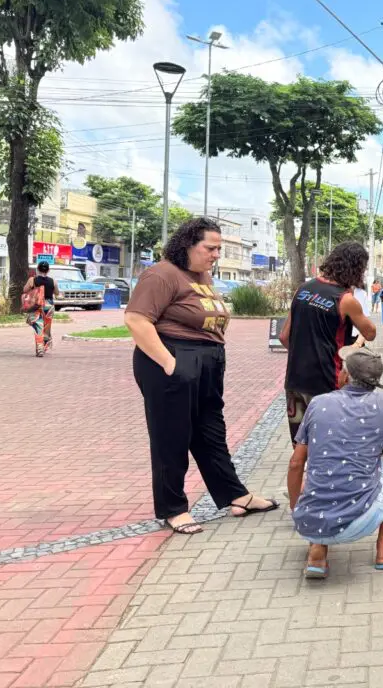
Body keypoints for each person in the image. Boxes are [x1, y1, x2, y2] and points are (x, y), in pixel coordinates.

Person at [125, 217, 278, 535]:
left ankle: (236, 495)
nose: (216, 254)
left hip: (207, 363)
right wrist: (170, 363)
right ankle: (173, 508)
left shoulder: (202, 276)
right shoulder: (161, 274)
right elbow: (137, 320)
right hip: (172, 360)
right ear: (187, 245)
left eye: (219, 248)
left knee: (210, 433)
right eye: (210, 248)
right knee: (172, 436)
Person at [287, 346, 383, 579]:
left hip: (310, 522)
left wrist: (297, 510)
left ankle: (317, 551)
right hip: (363, 519)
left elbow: (295, 463)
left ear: (346, 376)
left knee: (311, 474)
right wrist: (379, 446)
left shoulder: (318, 403)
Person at [280, 242, 377, 445]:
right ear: (355, 268)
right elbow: (370, 333)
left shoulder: (302, 289)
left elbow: (284, 337)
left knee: (300, 447)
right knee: (328, 444)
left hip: (295, 380)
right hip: (327, 381)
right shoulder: (345, 299)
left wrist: (304, 354)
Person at [23, 261, 58, 357]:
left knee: (38, 326)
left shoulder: (32, 280)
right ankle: (45, 345)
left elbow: (25, 290)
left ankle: (40, 349)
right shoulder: (53, 281)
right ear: (48, 270)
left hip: (37, 304)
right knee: (46, 327)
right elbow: (57, 293)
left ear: (37, 269)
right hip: (49, 306)